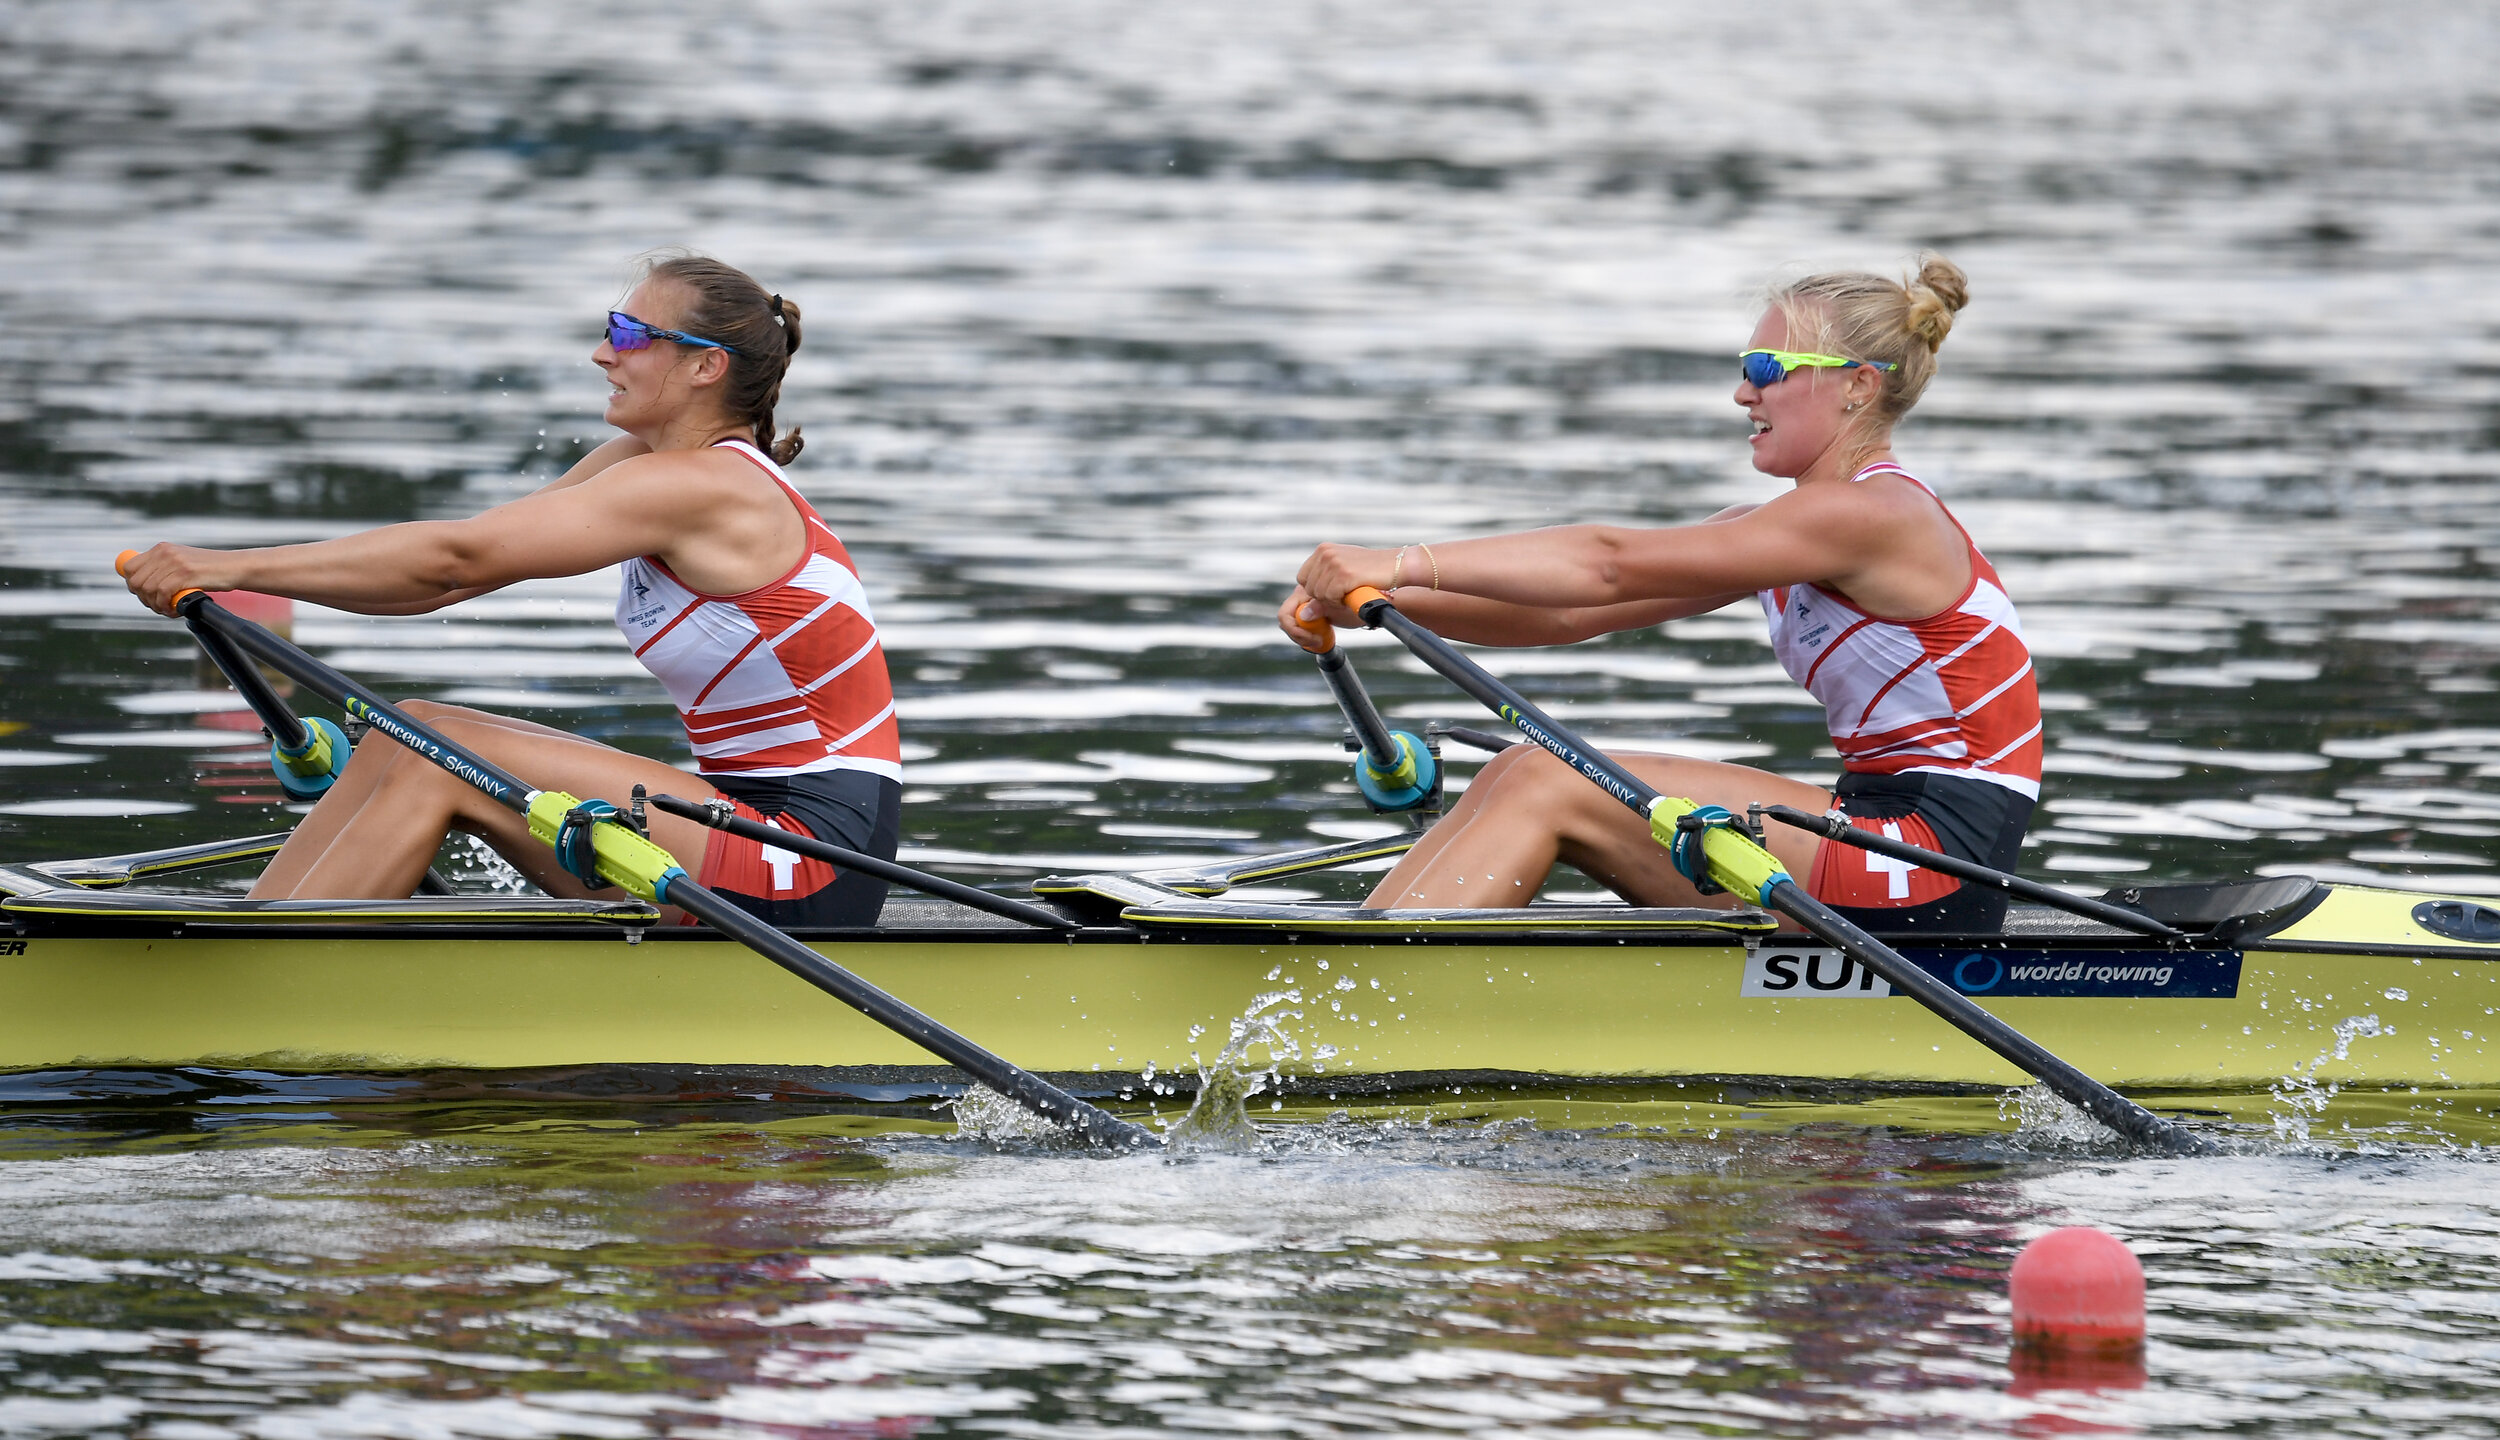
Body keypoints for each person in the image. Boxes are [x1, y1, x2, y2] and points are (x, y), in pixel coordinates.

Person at [121, 254, 903, 926]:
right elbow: (451, 577)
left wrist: (229, 567)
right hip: (737, 818)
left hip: (810, 858)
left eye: (630, 337)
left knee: (441, 751)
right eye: (610, 328)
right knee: (411, 728)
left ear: (706, 366)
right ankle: (270, 926)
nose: (603, 354)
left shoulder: (706, 486)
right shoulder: (643, 461)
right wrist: (232, 582)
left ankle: (265, 980)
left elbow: (455, 559)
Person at [1279, 256, 2040, 933]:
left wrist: (1404, 558)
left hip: (1935, 861)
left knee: (1544, 776)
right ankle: (1360, 963)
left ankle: (1358, 1005)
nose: (1744, 391)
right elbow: (1572, 610)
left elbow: (1607, 564)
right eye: (1747, 365)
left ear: (1858, 386)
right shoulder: (1783, 529)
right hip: (1874, 831)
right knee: (1517, 770)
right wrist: (1373, 599)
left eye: (1769, 367)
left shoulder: (1872, 514)